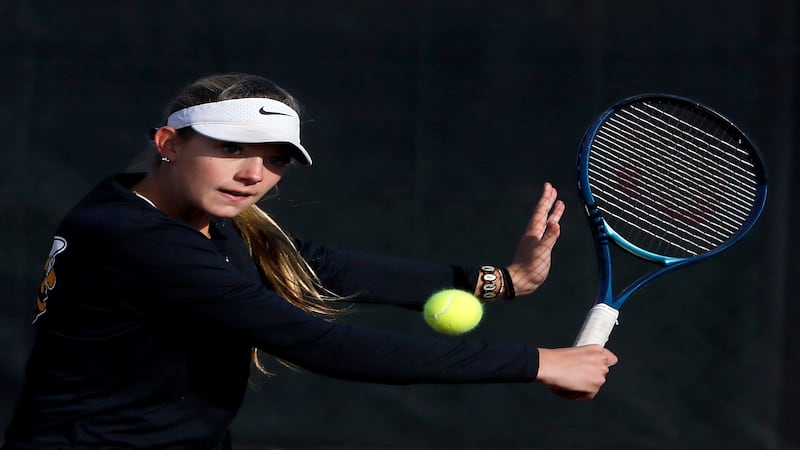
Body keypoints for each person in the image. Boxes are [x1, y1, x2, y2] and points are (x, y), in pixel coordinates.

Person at [2, 73, 618, 449]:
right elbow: (321, 345)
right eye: (231, 149)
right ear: (169, 143)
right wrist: (539, 363)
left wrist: (496, 282)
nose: (253, 174)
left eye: (274, 159)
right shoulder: (137, 241)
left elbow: (312, 263)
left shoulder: (159, 208)